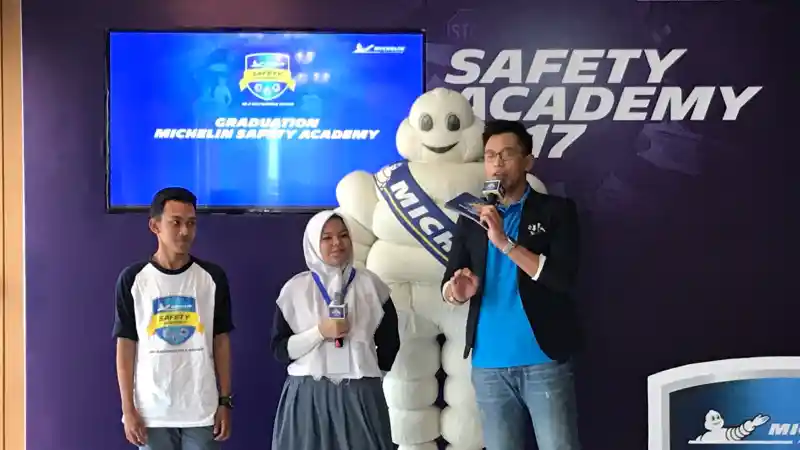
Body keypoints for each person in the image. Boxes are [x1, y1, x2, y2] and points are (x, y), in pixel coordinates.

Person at [441, 120, 583, 450]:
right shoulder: (471, 216)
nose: (498, 164)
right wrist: (456, 292)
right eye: (491, 156)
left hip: (543, 360)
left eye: (507, 155)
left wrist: (504, 243)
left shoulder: (557, 211)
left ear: (527, 161)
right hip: (488, 366)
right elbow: (448, 282)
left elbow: (561, 278)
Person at [113, 187, 235, 450]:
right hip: (151, 413)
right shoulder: (133, 279)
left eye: (191, 223)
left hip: (201, 411)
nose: (184, 231)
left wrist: (225, 401)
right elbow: (126, 345)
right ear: (155, 226)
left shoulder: (212, 277)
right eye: (176, 222)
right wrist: (127, 409)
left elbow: (221, 340)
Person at [270, 210, 400, 450]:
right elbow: (280, 350)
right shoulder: (295, 289)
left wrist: (368, 372)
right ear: (313, 243)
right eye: (327, 238)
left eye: (343, 235)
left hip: (360, 392)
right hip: (308, 394)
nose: (337, 243)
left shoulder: (372, 285)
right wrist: (320, 332)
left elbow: (390, 342)